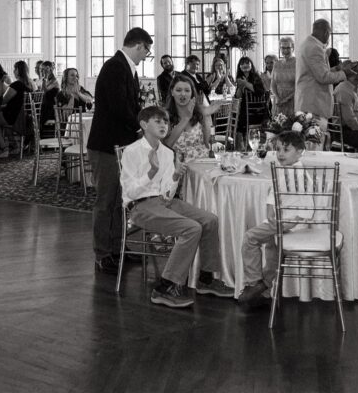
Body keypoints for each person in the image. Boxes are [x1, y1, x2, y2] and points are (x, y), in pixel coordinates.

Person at [119, 104, 234, 308]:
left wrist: (174, 176)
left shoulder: (165, 152)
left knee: (210, 220)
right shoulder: (132, 151)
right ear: (144, 124)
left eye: (165, 121)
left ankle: (206, 279)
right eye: (158, 121)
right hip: (140, 206)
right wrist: (151, 173)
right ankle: (165, 287)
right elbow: (130, 193)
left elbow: (167, 194)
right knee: (191, 228)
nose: (164, 125)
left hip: (164, 202)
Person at [87, 28, 152, 274]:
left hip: (118, 145)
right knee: (105, 201)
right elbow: (118, 107)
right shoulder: (115, 67)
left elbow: (128, 105)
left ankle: (117, 248)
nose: (146, 56)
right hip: (106, 146)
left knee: (118, 201)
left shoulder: (124, 67)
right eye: (146, 51)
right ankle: (103, 254)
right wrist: (140, 128)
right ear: (139, 45)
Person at [238, 129, 313, 309]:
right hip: (282, 219)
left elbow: (304, 204)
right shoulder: (282, 169)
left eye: (286, 150)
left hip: (291, 220)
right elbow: (274, 192)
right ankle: (264, 290)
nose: (280, 154)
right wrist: (271, 211)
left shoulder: (298, 174)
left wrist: (287, 220)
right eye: (278, 150)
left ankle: (254, 282)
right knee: (272, 247)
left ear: (300, 152)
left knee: (250, 237)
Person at [295, 20, 351, 133]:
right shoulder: (315, 47)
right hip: (314, 106)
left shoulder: (308, 44)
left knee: (312, 144)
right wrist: (345, 74)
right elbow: (323, 77)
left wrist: (336, 69)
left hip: (309, 104)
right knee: (315, 145)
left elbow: (315, 73)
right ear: (326, 33)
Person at [163, 75, 211, 163]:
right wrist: (185, 118)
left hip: (201, 165)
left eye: (187, 90)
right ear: (172, 92)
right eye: (178, 90)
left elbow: (207, 144)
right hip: (177, 168)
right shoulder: (166, 116)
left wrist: (207, 120)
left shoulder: (200, 114)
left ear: (192, 93)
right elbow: (166, 146)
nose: (183, 94)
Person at [234, 56, 268, 147]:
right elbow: (237, 96)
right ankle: (242, 145)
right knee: (237, 115)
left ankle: (247, 144)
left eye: (247, 63)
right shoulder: (240, 78)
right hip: (246, 111)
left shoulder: (256, 77)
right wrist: (240, 87)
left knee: (239, 117)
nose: (245, 65)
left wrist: (246, 84)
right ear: (239, 67)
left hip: (258, 112)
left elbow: (260, 92)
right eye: (242, 63)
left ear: (251, 65)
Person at [270, 37, 296, 116]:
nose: (285, 50)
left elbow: (299, 85)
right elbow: (273, 84)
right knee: (278, 125)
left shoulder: (298, 63)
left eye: (288, 48)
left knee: (292, 126)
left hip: (293, 100)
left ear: (293, 48)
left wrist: (286, 99)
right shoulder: (277, 63)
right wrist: (277, 97)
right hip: (278, 101)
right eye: (283, 48)